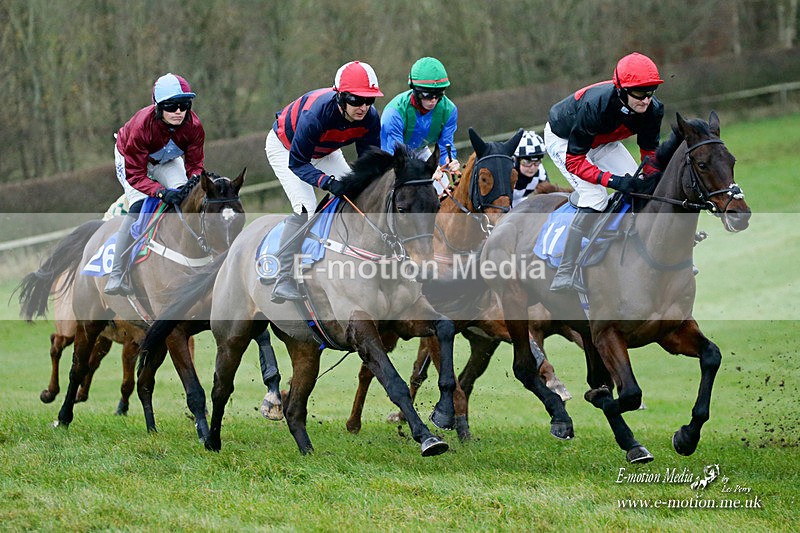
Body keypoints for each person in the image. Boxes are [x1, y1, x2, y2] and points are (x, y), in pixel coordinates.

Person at [545, 52, 665, 292]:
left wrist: (649, 180)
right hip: (566, 141)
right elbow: (575, 162)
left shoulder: (653, 110)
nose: (646, 100)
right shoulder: (594, 106)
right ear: (621, 90)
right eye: (640, 93)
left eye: (651, 91)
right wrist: (614, 181)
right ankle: (566, 270)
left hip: (604, 142)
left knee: (643, 190)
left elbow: (649, 155)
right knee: (596, 196)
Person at [265, 60, 384, 303]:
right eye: (356, 100)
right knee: (306, 208)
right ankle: (283, 276)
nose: (363, 107)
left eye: (369, 100)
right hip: (286, 149)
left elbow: (370, 162)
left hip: (325, 151)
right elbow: (297, 163)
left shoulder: (370, 118)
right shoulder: (316, 115)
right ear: (340, 97)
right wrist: (327, 183)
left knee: (357, 198)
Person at [105, 73, 205, 296]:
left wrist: (195, 181)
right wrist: (160, 192)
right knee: (140, 206)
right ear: (159, 107)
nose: (179, 111)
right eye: (171, 106)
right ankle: (117, 273)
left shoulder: (194, 126)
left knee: (184, 197)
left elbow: (196, 165)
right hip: (134, 162)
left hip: (166, 159)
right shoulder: (142, 127)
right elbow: (135, 176)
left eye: (184, 105)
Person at [380, 57, 460, 195]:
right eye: (428, 94)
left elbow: (445, 145)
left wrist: (450, 160)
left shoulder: (449, 110)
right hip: (392, 157)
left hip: (420, 151)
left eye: (439, 94)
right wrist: (425, 170)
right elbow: (397, 155)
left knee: (447, 193)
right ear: (415, 90)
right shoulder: (394, 113)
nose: (433, 100)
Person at [512, 130, 552, 205]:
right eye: (527, 162)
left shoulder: (541, 172)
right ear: (516, 159)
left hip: (522, 206)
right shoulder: (507, 172)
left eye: (537, 162)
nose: (532, 167)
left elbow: (548, 198)